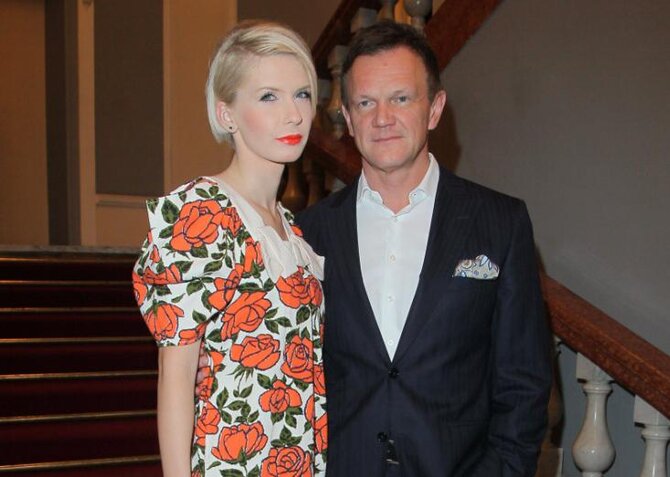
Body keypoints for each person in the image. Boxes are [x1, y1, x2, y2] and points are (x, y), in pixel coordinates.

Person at [296, 21, 552, 476]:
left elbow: (524, 385)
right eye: (365, 102)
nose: (382, 118)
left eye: (400, 98)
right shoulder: (309, 232)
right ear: (348, 119)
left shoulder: (501, 223)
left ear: (434, 109)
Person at [132, 21, 327, 477]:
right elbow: (176, 374)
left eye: (302, 94)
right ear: (227, 115)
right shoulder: (202, 212)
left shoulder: (290, 229)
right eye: (268, 96)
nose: (294, 114)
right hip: (230, 463)